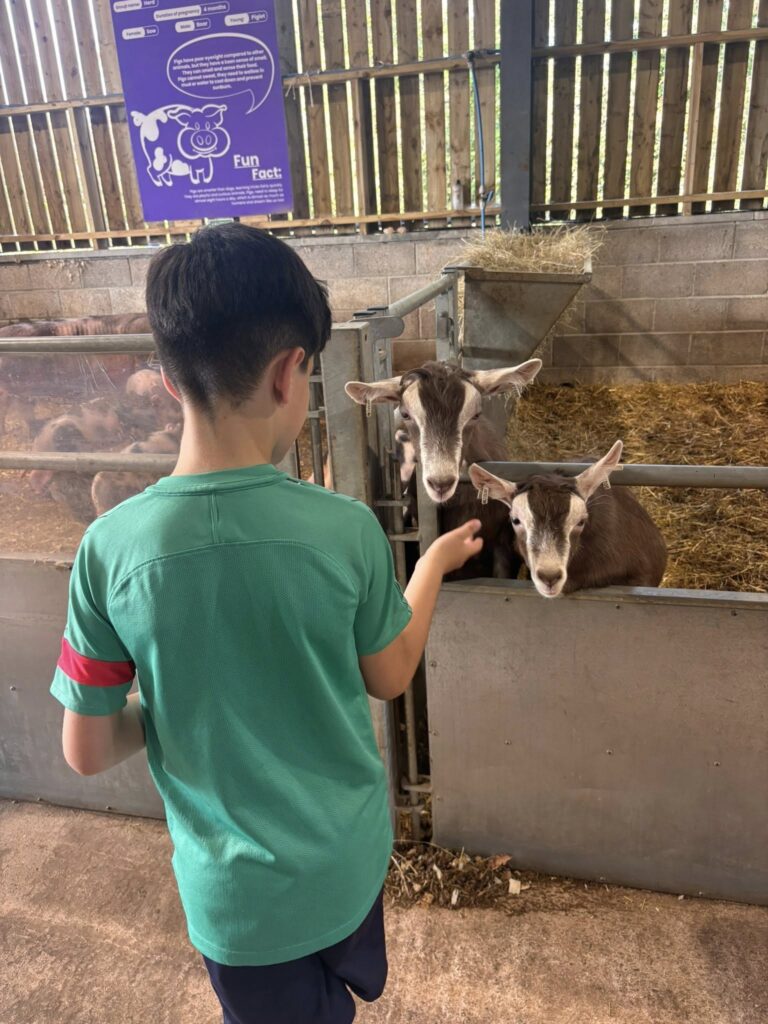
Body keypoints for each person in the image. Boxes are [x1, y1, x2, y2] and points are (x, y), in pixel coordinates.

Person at [50, 223, 482, 1024]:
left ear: (170, 382)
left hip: (238, 907)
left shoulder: (107, 552)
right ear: (292, 374)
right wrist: (428, 569)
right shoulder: (346, 530)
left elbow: (86, 748)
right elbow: (387, 675)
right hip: (347, 865)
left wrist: (180, 694)